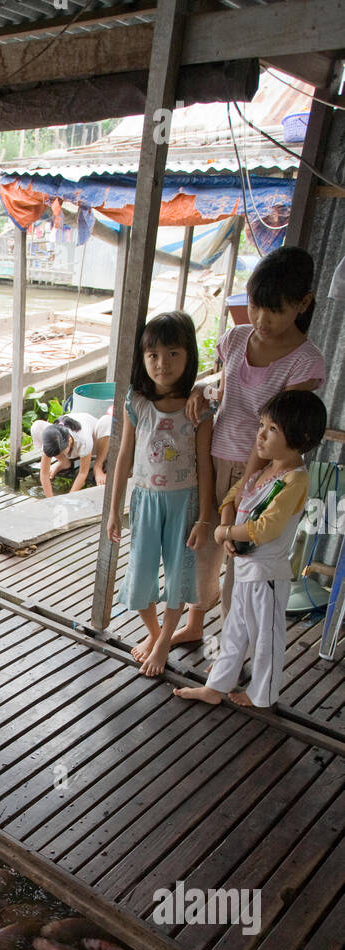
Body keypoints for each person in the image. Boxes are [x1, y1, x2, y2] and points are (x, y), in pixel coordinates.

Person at [175, 247, 325, 648]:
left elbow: (281, 430)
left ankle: (233, 646)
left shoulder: (305, 362)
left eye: (274, 310)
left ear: (302, 304)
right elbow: (224, 385)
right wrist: (199, 390)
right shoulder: (237, 339)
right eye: (256, 306)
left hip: (262, 472)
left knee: (242, 557)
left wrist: (249, 482)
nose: (261, 320)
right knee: (204, 541)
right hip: (216, 455)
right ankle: (194, 624)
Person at [175, 390, 327, 709]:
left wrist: (222, 531)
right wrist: (228, 531)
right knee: (234, 631)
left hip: (267, 576)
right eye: (262, 424)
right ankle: (216, 686)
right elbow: (233, 496)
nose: (261, 433)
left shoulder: (294, 480)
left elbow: (265, 528)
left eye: (273, 429)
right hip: (246, 569)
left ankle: (263, 695)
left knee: (266, 639)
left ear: (302, 437)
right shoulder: (264, 471)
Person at [107, 311, 214, 677]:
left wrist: (204, 518)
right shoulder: (136, 401)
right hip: (145, 501)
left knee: (179, 575)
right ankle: (156, 635)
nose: (162, 363)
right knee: (139, 575)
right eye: (152, 355)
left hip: (185, 502)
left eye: (173, 354)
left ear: (189, 357)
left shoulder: (197, 408)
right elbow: (123, 458)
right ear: (142, 357)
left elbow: (204, 466)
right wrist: (113, 509)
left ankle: (165, 641)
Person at [32, 412, 106, 495]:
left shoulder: (83, 440)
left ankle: (98, 466)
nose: (55, 455)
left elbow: (82, 473)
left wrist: (69, 496)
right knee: (36, 426)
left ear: (69, 441)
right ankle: (64, 462)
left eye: (59, 453)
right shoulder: (51, 438)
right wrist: (50, 499)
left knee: (106, 421)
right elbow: (44, 474)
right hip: (70, 447)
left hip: (97, 444)